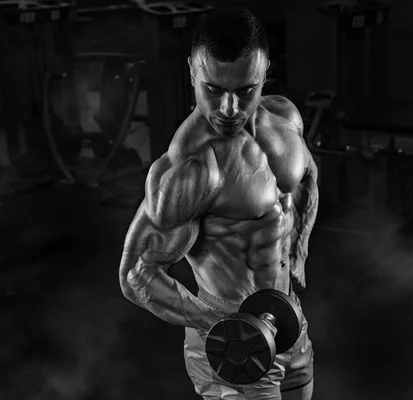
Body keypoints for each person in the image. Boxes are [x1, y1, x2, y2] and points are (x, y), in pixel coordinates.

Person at [119, 7, 319, 400]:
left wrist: (300, 250)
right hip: (236, 341)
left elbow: (308, 175)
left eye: (245, 91)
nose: (229, 110)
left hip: (288, 317)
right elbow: (135, 273)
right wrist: (220, 325)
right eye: (213, 90)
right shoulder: (191, 169)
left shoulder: (284, 119)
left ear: (263, 74)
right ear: (192, 71)